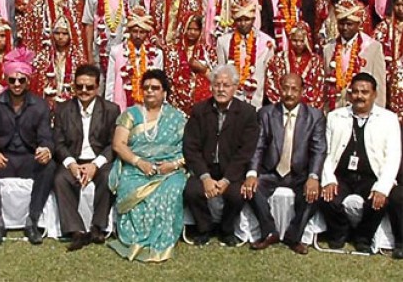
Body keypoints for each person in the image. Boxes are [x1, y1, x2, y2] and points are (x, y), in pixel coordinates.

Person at [0, 47, 55, 245]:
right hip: (3, 159)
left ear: (28, 81)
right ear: (7, 80)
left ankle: (33, 220)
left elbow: (46, 137)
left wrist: (46, 149)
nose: (17, 84)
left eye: (21, 80)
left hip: (28, 158)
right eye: (12, 80)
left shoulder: (40, 105)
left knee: (50, 165)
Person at [319, 73, 403, 254]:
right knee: (326, 197)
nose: (359, 96)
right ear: (349, 94)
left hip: (371, 176)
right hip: (342, 176)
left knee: (380, 201)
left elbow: (393, 156)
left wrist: (382, 187)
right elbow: (325, 152)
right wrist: (328, 179)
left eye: (365, 92)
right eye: (355, 92)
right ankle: (340, 232)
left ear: (374, 95)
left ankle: (363, 237)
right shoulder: (335, 117)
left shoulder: (388, 119)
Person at [243, 73, 326, 254]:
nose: (289, 93)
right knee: (250, 188)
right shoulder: (266, 113)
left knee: (313, 193)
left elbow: (318, 150)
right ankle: (269, 232)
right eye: (285, 88)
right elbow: (258, 146)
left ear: (302, 91)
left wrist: (313, 177)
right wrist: (252, 174)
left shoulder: (315, 116)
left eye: (294, 89)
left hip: (299, 173)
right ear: (279, 89)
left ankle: (293, 236)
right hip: (271, 171)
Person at [109, 69, 187, 261]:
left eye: (155, 88)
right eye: (146, 88)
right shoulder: (131, 114)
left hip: (169, 170)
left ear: (164, 92)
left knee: (171, 191)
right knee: (130, 188)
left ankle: (163, 238)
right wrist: (139, 162)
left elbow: (189, 149)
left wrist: (173, 165)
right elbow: (118, 144)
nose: (150, 91)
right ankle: (136, 237)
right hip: (135, 168)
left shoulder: (177, 117)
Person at [183, 64, 259, 246]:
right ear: (211, 87)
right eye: (217, 85)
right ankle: (204, 228)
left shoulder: (247, 113)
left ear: (235, 87)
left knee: (236, 194)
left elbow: (245, 151)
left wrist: (226, 180)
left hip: (231, 170)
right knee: (192, 191)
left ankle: (226, 229)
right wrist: (205, 177)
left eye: (226, 85)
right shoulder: (199, 110)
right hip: (206, 168)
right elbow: (191, 147)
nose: (221, 89)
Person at [52, 64, 120, 251]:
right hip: (73, 160)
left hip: (99, 160)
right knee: (60, 179)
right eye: (79, 86)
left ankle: (97, 227)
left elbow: (113, 144)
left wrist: (95, 165)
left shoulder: (111, 110)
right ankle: (75, 231)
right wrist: (71, 164)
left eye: (89, 87)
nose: (84, 90)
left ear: (97, 88)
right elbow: (58, 143)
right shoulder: (63, 109)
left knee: (108, 177)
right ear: (74, 86)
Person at [323, 0, 386, 111]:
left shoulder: (373, 48)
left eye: (349, 24)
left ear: (358, 24)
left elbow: (379, 87)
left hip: (364, 111)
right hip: (335, 112)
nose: (345, 28)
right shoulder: (328, 49)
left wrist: (377, 115)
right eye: (341, 24)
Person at [83, 0, 140, 75]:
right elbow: (88, 25)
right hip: (99, 51)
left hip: (124, 51)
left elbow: (136, 24)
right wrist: (89, 55)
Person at [216, 0, 275, 108]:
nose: (243, 24)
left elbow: (269, 76)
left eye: (247, 19)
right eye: (239, 20)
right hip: (231, 101)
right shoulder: (223, 42)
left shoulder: (267, 42)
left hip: (256, 101)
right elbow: (221, 72)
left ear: (253, 19)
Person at [105, 8, 164, 111]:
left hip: (147, 105)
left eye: (142, 32)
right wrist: (108, 108)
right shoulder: (116, 51)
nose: (138, 36)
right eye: (135, 31)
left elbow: (159, 84)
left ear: (147, 33)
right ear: (129, 31)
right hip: (122, 104)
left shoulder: (156, 54)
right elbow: (110, 83)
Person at [264, 22, 325, 109]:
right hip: (281, 107)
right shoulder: (278, 59)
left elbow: (319, 87)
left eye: (302, 41)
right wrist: (285, 102)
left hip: (308, 109)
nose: (298, 44)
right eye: (295, 40)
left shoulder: (316, 61)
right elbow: (271, 84)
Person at [162, 14, 215, 114]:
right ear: (183, 28)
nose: (192, 32)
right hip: (177, 103)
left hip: (202, 105)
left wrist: (203, 70)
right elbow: (169, 78)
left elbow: (216, 78)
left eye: (196, 29)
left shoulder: (208, 51)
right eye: (189, 29)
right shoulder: (172, 51)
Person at [35, 14, 86, 108]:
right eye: (57, 33)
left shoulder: (77, 57)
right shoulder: (44, 56)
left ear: (70, 34)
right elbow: (38, 84)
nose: (60, 37)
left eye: (65, 33)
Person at [373, 0, 403, 122]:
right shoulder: (384, 26)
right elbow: (374, 47)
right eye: (398, 5)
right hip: (386, 75)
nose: (400, 9)